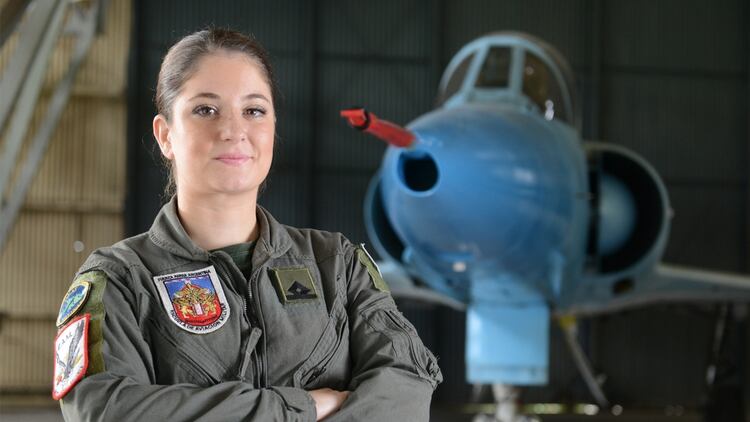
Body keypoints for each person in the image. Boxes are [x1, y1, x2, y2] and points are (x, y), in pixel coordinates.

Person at [52, 28, 442, 421]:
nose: (233, 130)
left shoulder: (337, 265)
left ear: (273, 128)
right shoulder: (119, 282)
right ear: (165, 135)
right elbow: (107, 411)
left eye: (254, 110)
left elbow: (407, 386)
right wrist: (300, 408)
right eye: (206, 109)